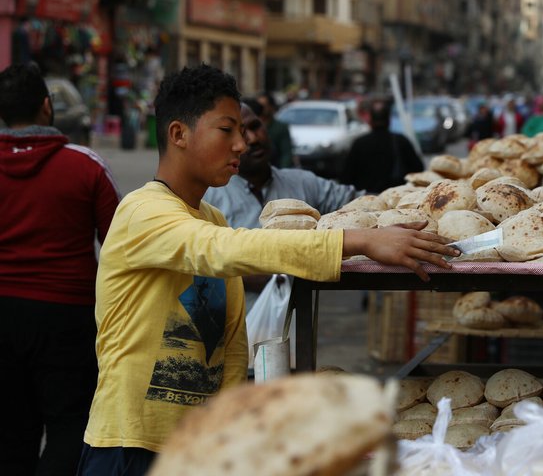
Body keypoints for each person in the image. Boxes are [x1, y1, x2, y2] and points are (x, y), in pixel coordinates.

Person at [79, 64, 458, 475]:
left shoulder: (212, 217)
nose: (242, 144)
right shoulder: (142, 211)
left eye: (243, 131)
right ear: (178, 134)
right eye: (227, 130)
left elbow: (230, 346)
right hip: (129, 447)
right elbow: (222, 250)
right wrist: (359, 241)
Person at [0, 63, 120, 475]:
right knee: (71, 428)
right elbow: (122, 246)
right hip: (67, 317)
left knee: (10, 434)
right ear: (47, 107)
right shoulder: (85, 165)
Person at [204, 101, 363, 310]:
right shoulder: (208, 199)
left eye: (255, 127)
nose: (252, 139)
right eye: (241, 133)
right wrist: (262, 273)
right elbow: (202, 268)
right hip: (236, 330)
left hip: (297, 329)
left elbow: (361, 204)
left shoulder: (302, 182)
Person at [340, 97, 424, 194]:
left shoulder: (359, 143)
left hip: (364, 201)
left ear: (370, 120)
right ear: (389, 120)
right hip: (396, 199)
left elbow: (346, 177)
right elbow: (418, 170)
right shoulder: (401, 141)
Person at [256, 92, 295, 169]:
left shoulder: (280, 127)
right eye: (258, 106)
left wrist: (283, 173)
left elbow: (286, 154)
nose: (260, 109)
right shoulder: (252, 126)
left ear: (271, 107)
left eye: (263, 106)